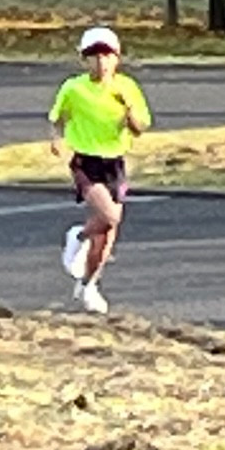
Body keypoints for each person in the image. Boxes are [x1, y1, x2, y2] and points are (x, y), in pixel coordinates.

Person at [48, 26, 153, 315]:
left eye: (107, 56)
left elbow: (140, 127)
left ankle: (88, 284)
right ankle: (79, 236)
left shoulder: (127, 87)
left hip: (114, 162)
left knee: (107, 232)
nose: (101, 62)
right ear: (84, 60)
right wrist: (56, 139)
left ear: (117, 58)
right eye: (94, 56)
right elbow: (57, 117)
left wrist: (129, 112)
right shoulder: (74, 88)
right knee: (109, 216)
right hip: (86, 160)